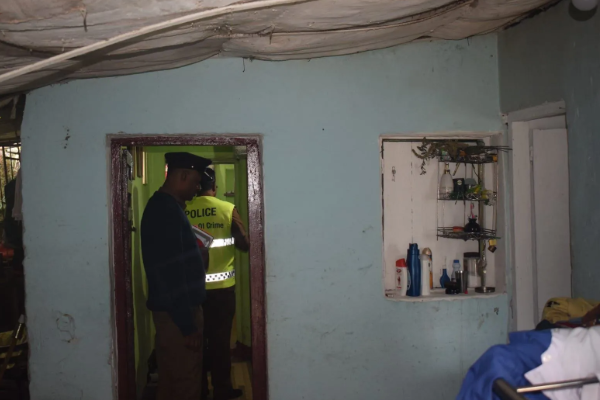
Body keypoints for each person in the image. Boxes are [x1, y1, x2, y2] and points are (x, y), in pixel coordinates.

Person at [141, 152, 212, 400]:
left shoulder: (167, 207)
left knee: (172, 383)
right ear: (182, 176)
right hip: (178, 316)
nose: (197, 188)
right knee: (184, 383)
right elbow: (171, 273)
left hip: (175, 314)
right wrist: (187, 326)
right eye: (195, 182)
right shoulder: (165, 211)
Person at [185, 167, 250, 400]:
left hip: (192, 291)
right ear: (215, 187)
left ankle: (199, 391)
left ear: (196, 187)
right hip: (222, 292)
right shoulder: (227, 209)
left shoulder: (183, 209)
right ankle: (222, 390)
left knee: (196, 344)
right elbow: (244, 244)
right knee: (220, 342)